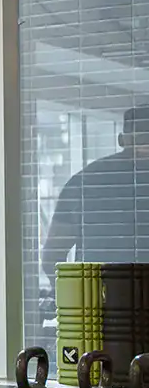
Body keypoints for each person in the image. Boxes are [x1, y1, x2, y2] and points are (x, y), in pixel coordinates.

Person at [41, 104, 149, 281]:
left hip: (99, 301)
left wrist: (75, 301)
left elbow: (51, 258)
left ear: (121, 140)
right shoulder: (82, 183)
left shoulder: (82, 183)